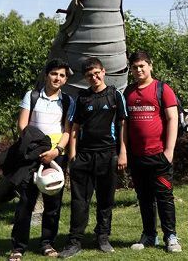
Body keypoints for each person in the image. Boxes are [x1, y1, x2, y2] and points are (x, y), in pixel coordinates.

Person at [59, 57, 127, 259]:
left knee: (106, 200)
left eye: (97, 73)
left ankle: (103, 237)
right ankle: (74, 241)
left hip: (108, 155)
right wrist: (72, 157)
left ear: (104, 72)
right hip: (84, 157)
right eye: (89, 75)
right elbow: (73, 128)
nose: (94, 77)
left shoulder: (115, 95)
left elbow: (123, 125)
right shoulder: (82, 98)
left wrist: (122, 152)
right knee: (80, 201)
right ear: (86, 78)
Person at [8, 58, 75, 260]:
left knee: (53, 204)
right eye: (54, 73)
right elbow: (23, 125)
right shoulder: (32, 95)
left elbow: (67, 131)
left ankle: (47, 243)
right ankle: (18, 247)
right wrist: (38, 149)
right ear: (46, 75)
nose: (58, 78)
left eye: (62, 75)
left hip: (56, 157)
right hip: (32, 156)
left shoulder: (68, 101)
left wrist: (57, 150)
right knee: (25, 204)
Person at [121, 51, 182, 253]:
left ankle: (171, 236)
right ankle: (149, 235)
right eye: (135, 67)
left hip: (159, 155)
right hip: (137, 157)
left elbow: (173, 119)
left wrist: (169, 151)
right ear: (131, 69)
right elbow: (124, 124)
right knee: (144, 198)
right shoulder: (128, 92)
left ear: (150, 66)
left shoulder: (162, 89)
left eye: (142, 66)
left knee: (164, 197)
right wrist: (124, 151)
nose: (139, 70)